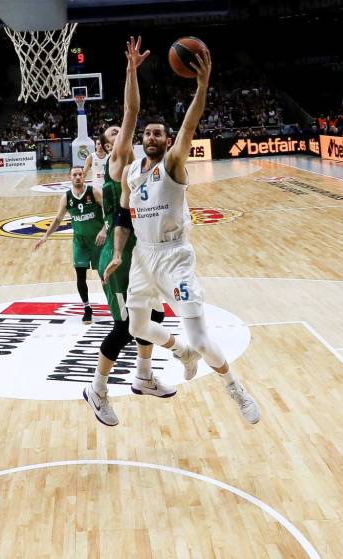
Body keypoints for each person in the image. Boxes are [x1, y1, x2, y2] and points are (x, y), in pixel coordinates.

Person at [104, 48, 260, 424]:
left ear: (168, 139)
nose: (153, 136)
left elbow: (189, 125)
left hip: (175, 257)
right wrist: (119, 252)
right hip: (143, 257)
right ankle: (181, 351)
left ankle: (236, 388)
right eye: (148, 133)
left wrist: (202, 86)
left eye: (159, 132)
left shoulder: (173, 165)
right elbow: (130, 114)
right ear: (142, 140)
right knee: (138, 327)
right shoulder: (129, 172)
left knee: (203, 338)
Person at [83, 36, 175, 427]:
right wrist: (131, 71)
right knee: (125, 326)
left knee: (155, 315)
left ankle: (143, 375)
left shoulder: (140, 168)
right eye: (115, 134)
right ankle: (97, 389)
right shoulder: (119, 161)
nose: (123, 134)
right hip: (120, 258)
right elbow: (132, 109)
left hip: (143, 256)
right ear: (110, 145)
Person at [34, 167, 107, 324]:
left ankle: (114, 305)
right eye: (75, 175)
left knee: (105, 275)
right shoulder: (66, 197)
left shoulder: (94, 192)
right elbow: (58, 219)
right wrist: (46, 236)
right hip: (80, 242)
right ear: (70, 178)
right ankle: (87, 308)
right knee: (80, 276)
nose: (78, 177)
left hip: (98, 241)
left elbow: (109, 211)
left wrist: (104, 229)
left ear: (83, 176)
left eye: (80, 174)